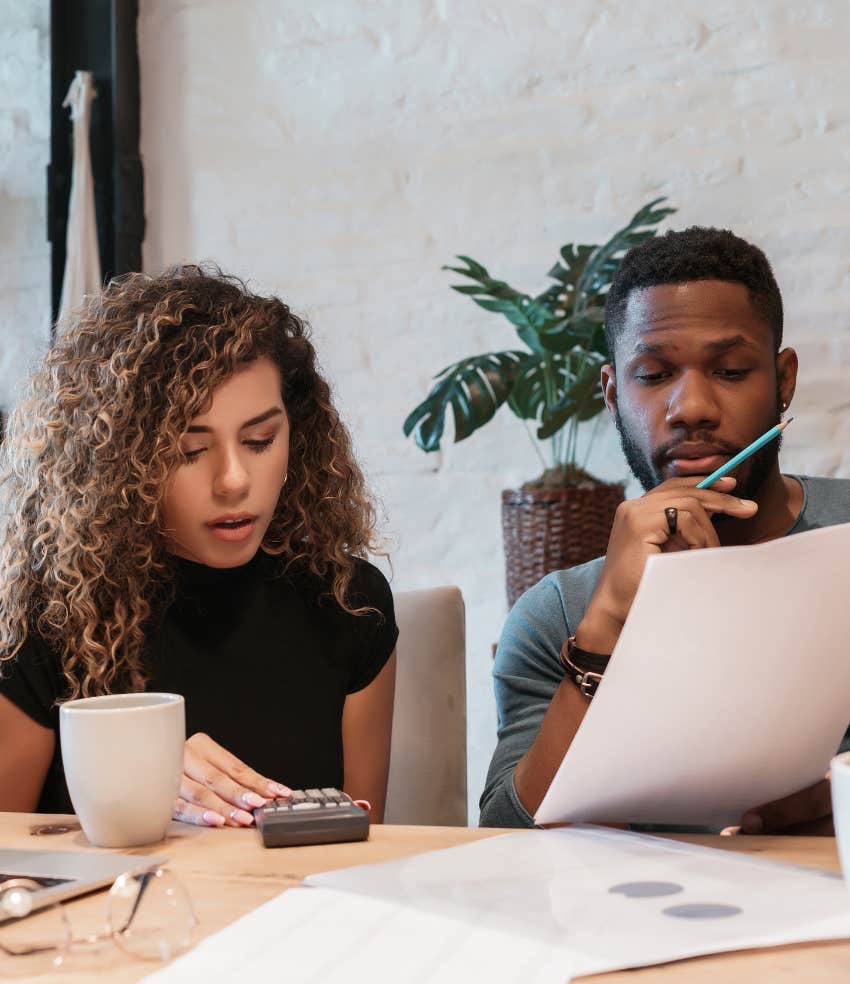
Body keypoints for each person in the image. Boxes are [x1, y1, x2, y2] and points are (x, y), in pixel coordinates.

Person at [480, 226, 850, 833]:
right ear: (611, 393)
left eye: (730, 370)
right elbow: (504, 836)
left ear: (784, 381)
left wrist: (828, 791)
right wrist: (607, 624)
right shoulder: (560, 614)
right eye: (652, 375)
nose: (692, 407)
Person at [0, 265, 397, 827]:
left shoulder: (348, 601)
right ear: (118, 462)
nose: (234, 480)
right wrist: (130, 779)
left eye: (260, 440)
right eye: (189, 450)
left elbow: (364, 845)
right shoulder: (48, 617)